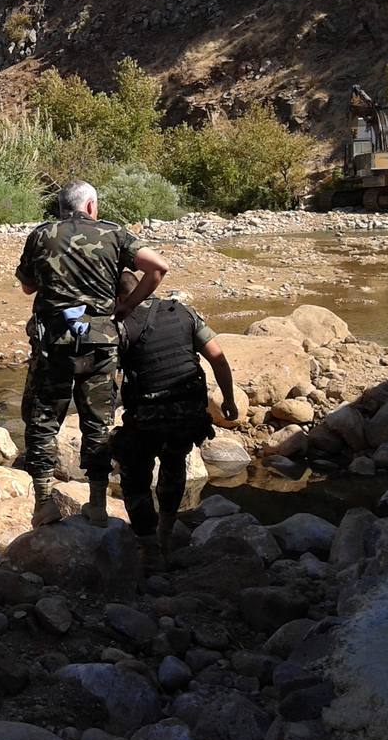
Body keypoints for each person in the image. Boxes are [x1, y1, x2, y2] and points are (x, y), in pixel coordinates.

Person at [16, 180, 170, 528]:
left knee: (41, 421)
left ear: (62, 208)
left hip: (53, 342)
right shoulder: (115, 234)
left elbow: (28, 286)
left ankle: (44, 503)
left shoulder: (42, 234)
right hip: (100, 342)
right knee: (97, 422)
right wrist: (128, 304)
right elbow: (158, 267)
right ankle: (97, 504)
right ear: (90, 206)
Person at [113, 269, 238, 559]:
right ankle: (166, 535)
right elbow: (218, 359)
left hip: (146, 419)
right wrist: (229, 399)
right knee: (174, 462)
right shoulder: (183, 312)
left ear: (118, 297)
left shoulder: (120, 324)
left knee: (134, 478)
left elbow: (104, 374)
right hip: (187, 415)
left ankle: (149, 549)